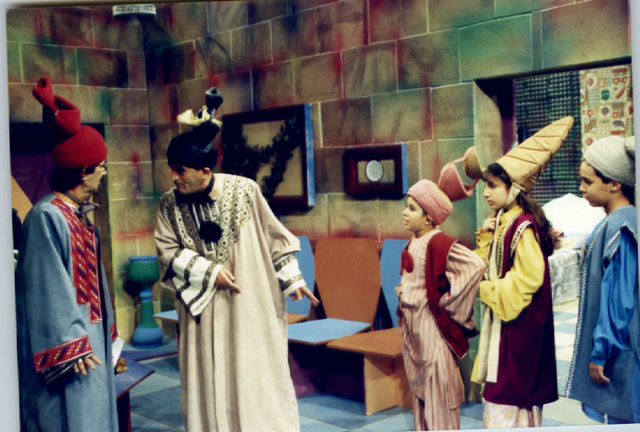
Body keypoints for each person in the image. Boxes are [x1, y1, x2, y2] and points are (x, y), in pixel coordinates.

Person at [154, 88, 318, 431]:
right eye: (171, 169)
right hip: (201, 312)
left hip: (248, 306)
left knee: (253, 374)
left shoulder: (244, 191)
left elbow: (274, 236)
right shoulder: (169, 204)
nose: (173, 177)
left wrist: (293, 279)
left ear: (204, 170)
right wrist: (209, 271)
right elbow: (166, 252)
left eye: (180, 170)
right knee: (207, 379)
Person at [16, 77, 118, 431]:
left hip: (91, 340)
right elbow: (46, 285)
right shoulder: (46, 216)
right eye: (101, 165)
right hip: (70, 349)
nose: (104, 172)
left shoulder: (79, 214)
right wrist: (69, 342)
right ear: (84, 170)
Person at [471, 116, 574, 428]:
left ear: (513, 188)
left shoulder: (522, 225)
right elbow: (485, 265)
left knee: (511, 398)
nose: (485, 193)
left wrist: (485, 289)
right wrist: (485, 236)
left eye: (492, 186)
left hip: (518, 327)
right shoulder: (503, 220)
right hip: (506, 324)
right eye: (485, 185)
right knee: (503, 397)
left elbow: (527, 279)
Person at [396, 179, 486, 430]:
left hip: (432, 332)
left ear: (429, 218)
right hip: (414, 331)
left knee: (438, 395)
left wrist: (449, 302)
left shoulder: (438, 242)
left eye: (412, 208)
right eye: (406, 206)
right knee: (420, 396)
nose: (405, 212)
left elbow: (475, 265)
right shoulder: (414, 240)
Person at [566, 135, 639, 424]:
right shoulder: (618, 221)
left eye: (588, 181)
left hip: (623, 352)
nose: (581, 188)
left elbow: (619, 298)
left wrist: (601, 351)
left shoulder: (622, 224)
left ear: (614, 183)